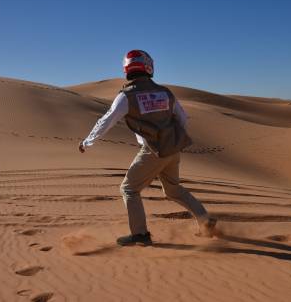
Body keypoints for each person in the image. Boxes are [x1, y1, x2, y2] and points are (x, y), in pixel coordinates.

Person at [78, 50, 217, 246]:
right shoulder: (165, 92)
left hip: (152, 151)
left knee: (129, 189)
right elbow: (183, 119)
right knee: (173, 189)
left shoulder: (127, 96)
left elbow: (106, 121)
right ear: (149, 67)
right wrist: (171, 139)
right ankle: (205, 220)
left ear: (127, 68)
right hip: (173, 149)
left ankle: (140, 235)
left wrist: (87, 142)